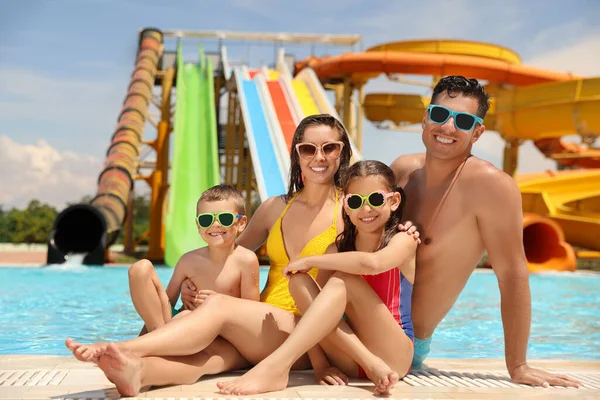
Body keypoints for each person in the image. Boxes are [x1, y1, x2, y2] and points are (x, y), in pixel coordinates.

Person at [64, 114, 361, 396]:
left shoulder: (350, 211)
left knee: (217, 308)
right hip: (258, 329)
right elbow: (225, 250)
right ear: (297, 154)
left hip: (305, 337)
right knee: (206, 359)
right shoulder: (274, 208)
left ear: (342, 152)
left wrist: (408, 229)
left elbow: (369, 261)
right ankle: (137, 372)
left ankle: (124, 347)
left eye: (329, 148)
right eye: (308, 148)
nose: (318, 157)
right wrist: (193, 287)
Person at [390, 75, 581, 388]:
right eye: (440, 114)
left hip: (401, 340)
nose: (448, 127)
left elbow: (512, 274)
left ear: (477, 132)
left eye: (463, 121)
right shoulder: (403, 170)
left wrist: (517, 365)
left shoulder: (490, 186)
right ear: (425, 118)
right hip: (359, 316)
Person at [217, 160, 418, 396]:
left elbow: (372, 264)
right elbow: (312, 313)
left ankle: (276, 366)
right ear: (346, 206)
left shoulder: (402, 241)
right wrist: (321, 366)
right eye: (355, 201)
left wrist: (311, 260)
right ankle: (369, 363)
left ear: (393, 201)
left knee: (345, 280)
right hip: (352, 359)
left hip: (394, 355)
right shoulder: (336, 249)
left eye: (375, 199)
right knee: (299, 281)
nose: (365, 209)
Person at [67, 184, 261, 361]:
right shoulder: (189, 260)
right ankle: (148, 346)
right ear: (198, 225)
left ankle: (133, 349)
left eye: (225, 218)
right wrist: (147, 333)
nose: (215, 225)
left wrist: (220, 302)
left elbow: (252, 312)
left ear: (241, 223)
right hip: (178, 325)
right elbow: (163, 306)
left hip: (217, 333)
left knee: (185, 318)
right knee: (140, 268)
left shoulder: (245, 260)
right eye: (206, 219)